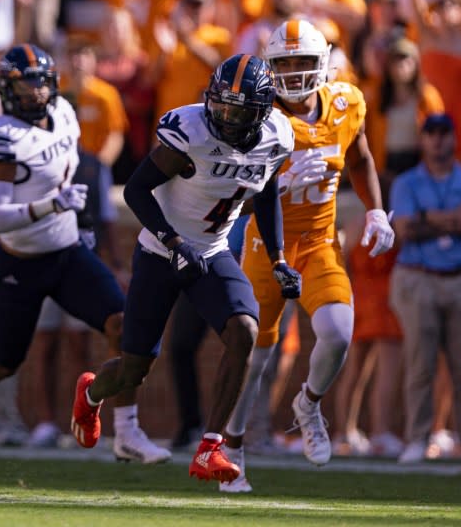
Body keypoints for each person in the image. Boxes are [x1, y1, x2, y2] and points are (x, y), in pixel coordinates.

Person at [0, 44, 170, 470]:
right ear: (7, 89)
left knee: (125, 326)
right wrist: (48, 206)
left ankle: (127, 430)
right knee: (2, 362)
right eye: (24, 84)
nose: (35, 92)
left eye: (41, 81)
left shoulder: (64, 112)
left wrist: (69, 216)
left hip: (67, 252)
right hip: (20, 262)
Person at [69, 53, 301, 484]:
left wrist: (279, 259)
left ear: (263, 112)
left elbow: (266, 195)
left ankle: (210, 447)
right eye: (221, 105)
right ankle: (90, 393)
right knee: (135, 367)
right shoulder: (189, 132)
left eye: (238, 111)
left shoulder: (276, 137)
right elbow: (138, 191)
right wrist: (173, 241)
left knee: (244, 331)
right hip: (160, 253)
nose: (225, 116)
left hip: (212, 253)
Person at [219, 19, 395, 493]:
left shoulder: (346, 103)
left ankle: (309, 403)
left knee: (338, 334)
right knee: (255, 358)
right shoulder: (261, 117)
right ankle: (232, 448)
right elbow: (246, 188)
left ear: (324, 64)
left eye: (302, 62)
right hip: (266, 246)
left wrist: (376, 210)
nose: (294, 73)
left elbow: (358, 156)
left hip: (320, 243)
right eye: (285, 63)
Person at [389, 113, 461, 464]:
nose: (437, 140)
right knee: (421, 364)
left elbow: (419, 223)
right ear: (423, 140)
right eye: (431, 134)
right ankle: (418, 438)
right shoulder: (406, 182)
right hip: (418, 275)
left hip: (458, 276)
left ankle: (460, 439)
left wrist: (427, 218)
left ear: (452, 138)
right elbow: (405, 230)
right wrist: (447, 220)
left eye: (443, 133)